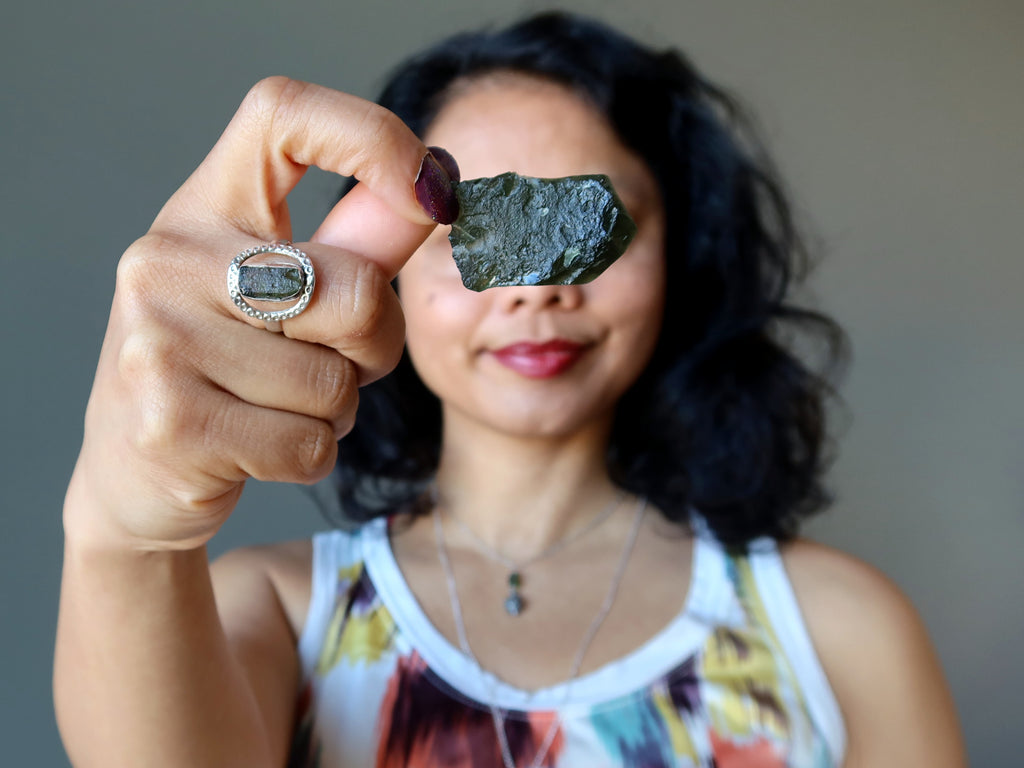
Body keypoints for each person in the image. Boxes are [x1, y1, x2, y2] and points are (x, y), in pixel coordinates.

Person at [53, 12, 966, 768]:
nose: (537, 290)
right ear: (388, 271)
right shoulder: (271, 614)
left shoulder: (841, 631)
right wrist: (123, 531)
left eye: (591, 225)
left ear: (680, 261)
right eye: (471, 231)